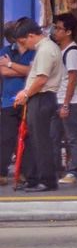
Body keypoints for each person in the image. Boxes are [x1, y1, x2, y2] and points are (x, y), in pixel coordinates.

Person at [12, 19, 64, 192]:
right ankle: (34, 177)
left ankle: (47, 180)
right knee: (34, 139)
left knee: (41, 141)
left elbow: (41, 79)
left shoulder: (46, 50)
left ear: (31, 35)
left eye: (24, 41)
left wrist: (26, 93)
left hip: (42, 97)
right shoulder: (45, 49)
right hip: (39, 97)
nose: (24, 45)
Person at [49, 14, 77, 185]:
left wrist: (65, 104)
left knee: (73, 138)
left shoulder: (72, 52)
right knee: (54, 136)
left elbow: (72, 79)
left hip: (70, 101)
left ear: (69, 32)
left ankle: (75, 171)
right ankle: (56, 169)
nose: (55, 31)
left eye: (58, 28)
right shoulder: (60, 50)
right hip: (58, 98)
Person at [0, 20, 34, 187]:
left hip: (28, 98)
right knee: (6, 137)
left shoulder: (34, 51)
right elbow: (3, 71)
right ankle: (2, 172)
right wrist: (21, 69)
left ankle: (23, 172)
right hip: (8, 100)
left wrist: (11, 64)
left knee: (27, 137)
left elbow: (32, 71)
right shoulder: (5, 51)